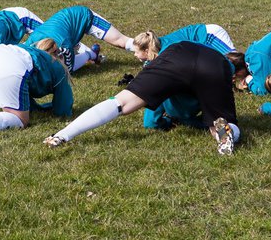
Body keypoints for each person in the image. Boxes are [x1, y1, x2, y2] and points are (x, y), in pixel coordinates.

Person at [43, 40, 240, 155]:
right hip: (216, 64)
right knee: (219, 122)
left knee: (121, 103)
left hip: (177, 54)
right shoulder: (225, 64)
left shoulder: (161, 55)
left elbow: (150, 120)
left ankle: (63, 135)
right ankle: (223, 130)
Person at [128, 26, 236, 130]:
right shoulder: (169, 44)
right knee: (218, 118)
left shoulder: (161, 65)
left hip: (191, 93)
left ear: (147, 51)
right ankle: (224, 127)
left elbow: (150, 119)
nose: (135, 55)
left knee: (172, 109)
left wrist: (159, 122)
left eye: (136, 52)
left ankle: (197, 122)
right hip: (214, 78)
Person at [23, 5, 134, 72]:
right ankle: (94, 54)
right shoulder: (31, 42)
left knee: (121, 42)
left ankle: (148, 49)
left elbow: (68, 70)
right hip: (65, 30)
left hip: (83, 17)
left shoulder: (64, 44)